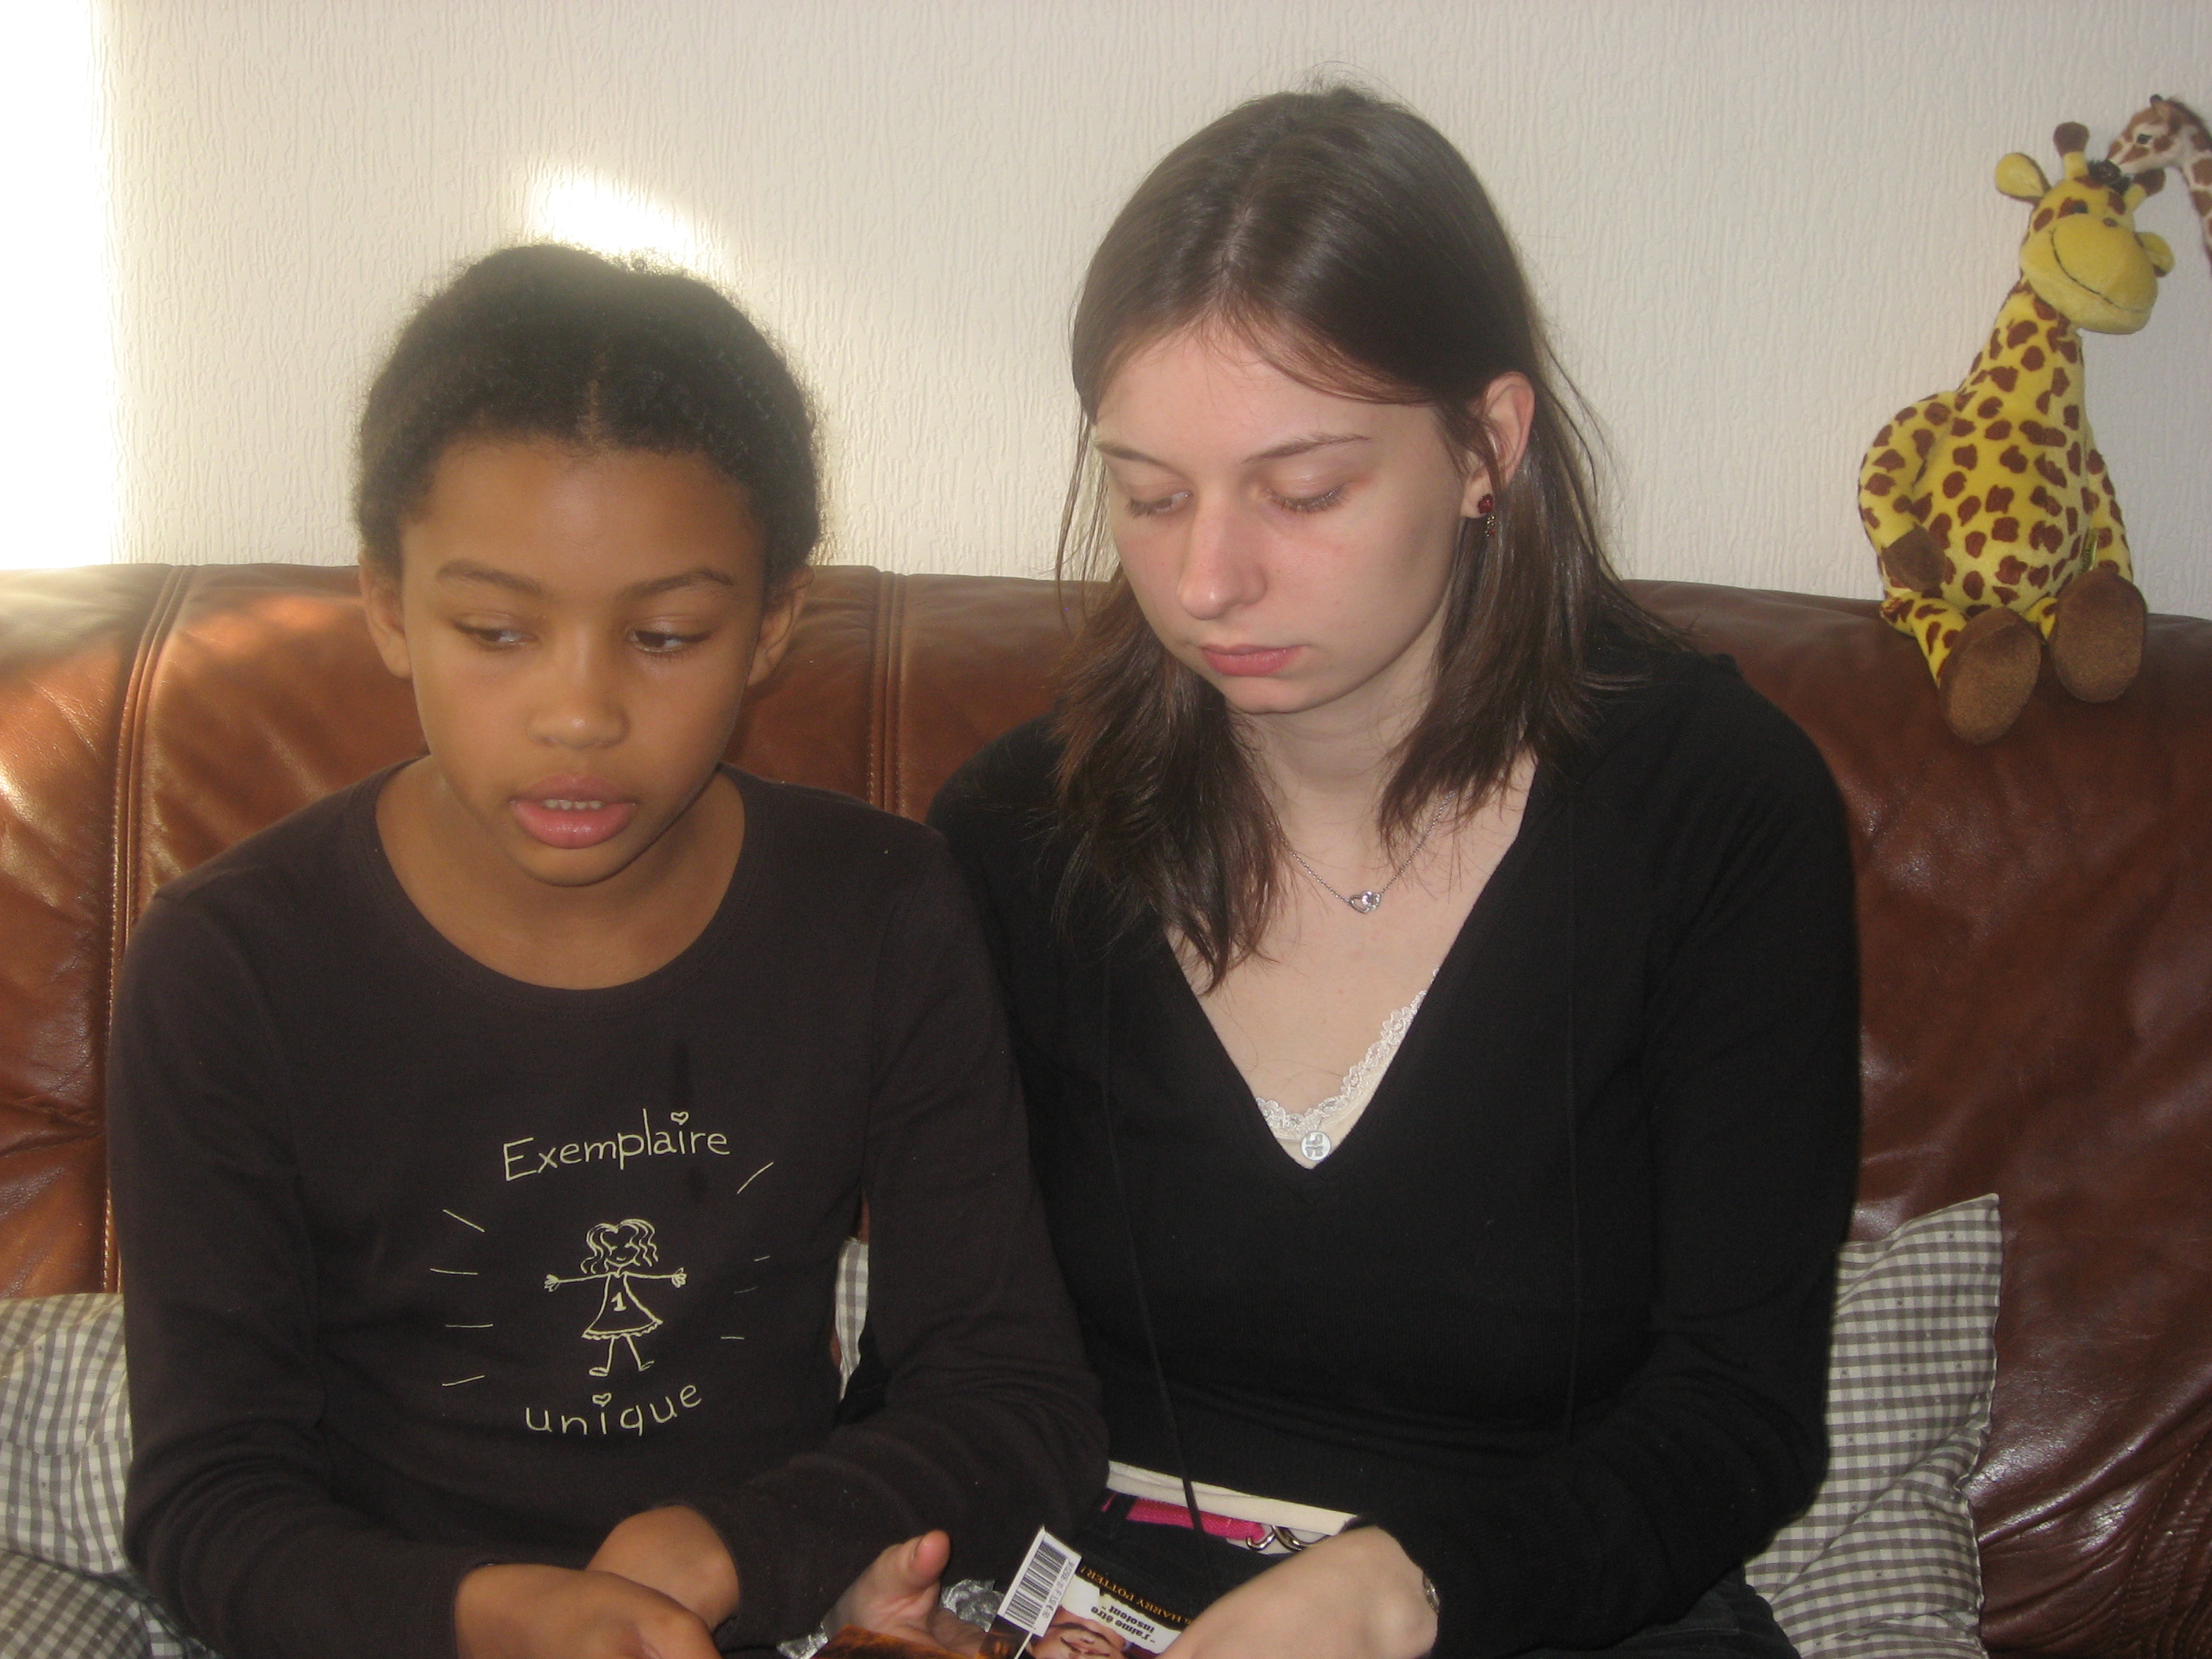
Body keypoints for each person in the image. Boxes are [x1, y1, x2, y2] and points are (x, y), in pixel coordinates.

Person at [921, 87, 1860, 1659]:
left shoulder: (1709, 807)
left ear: (1488, 445)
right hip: (1100, 1607)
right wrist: (884, 1559)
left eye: (1303, 492)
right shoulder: (1017, 835)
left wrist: (1398, 1590)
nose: (1206, 580)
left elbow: (1738, 1414)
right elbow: (945, 1366)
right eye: (1150, 495)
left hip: (1538, 1608)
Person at [107, 244, 1104, 1659]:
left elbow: (1014, 1402)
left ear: (772, 625)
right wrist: (500, 1615)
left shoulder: (880, 910)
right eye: (495, 629)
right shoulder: (232, 966)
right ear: (386, 605)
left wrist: (731, 1554)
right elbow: (210, 1506)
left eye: (666, 635)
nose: (579, 713)